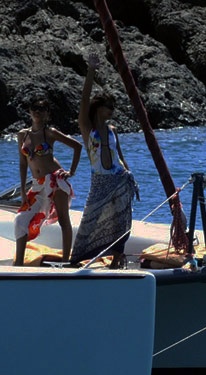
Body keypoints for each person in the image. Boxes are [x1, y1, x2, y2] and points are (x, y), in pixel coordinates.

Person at [71, 52, 139, 269]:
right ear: (99, 107)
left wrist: (130, 177)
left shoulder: (112, 130)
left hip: (119, 179)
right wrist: (91, 71)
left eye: (113, 107)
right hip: (100, 181)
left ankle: (117, 259)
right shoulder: (87, 128)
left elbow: (120, 156)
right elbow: (83, 100)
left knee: (122, 219)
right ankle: (77, 258)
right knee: (89, 220)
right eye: (109, 106)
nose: (112, 110)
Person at [12, 96, 83, 266]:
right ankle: (19, 265)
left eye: (41, 108)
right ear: (29, 112)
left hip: (55, 181)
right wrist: (22, 191)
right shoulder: (22, 135)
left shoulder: (50, 132)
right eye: (34, 108)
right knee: (20, 220)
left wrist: (71, 172)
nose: (37, 111)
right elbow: (23, 164)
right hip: (37, 185)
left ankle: (66, 262)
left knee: (63, 220)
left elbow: (77, 146)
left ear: (47, 114)